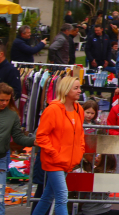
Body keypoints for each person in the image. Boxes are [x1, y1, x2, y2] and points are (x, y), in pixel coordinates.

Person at [32, 77, 84, 215]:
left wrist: (79, 151)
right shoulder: (53, 109)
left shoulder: (79, 109)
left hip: (67, 160)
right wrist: (55, 154)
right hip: (54, 161)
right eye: (76, 88)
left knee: (48, 197)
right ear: (66, 90)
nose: (80, 91)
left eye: (79, 87)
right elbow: (41, 136)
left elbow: (80, 134)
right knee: (62, 196)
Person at [0, 82, 35, 215]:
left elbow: (18, 137)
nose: (4, 103)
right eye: (1, 100)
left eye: (7, 100)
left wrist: (34, 141)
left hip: (1, 158)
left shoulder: (12, 115)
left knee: (0, 197)